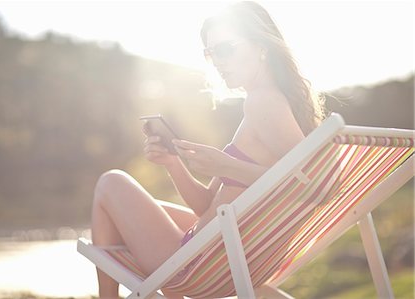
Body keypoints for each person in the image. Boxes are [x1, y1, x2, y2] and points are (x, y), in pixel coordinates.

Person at [91, 1, 325, 298]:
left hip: (203, 265)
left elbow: (317, 185)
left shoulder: (263, 102)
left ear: (261, 47)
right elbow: (205, 208)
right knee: (139, 207)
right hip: (228, 256)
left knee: (110, 183)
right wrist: (174, 163)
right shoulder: (273, 105)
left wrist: (226, 166)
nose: (217, 61)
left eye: (226, 49)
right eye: (211, 52)